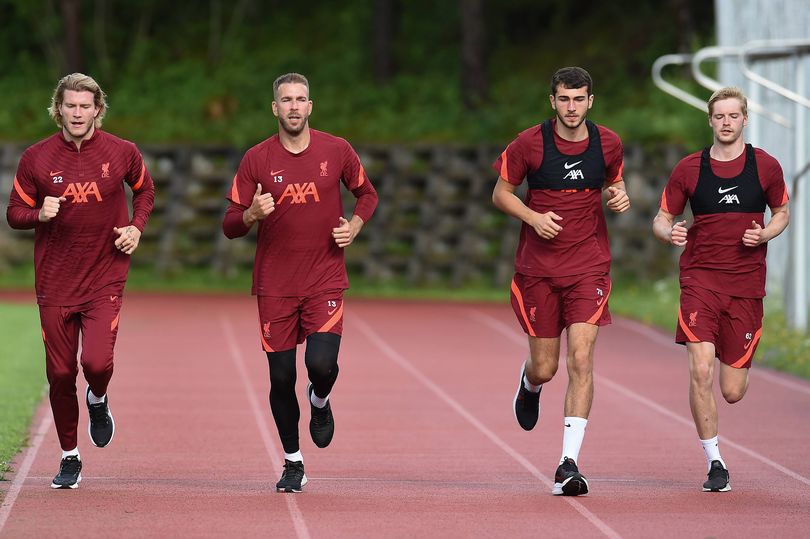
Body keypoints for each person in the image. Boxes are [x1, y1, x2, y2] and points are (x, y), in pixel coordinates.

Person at [222, 73, 378, 493]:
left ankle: (320, 400)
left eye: (301, 99)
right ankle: (293, 461)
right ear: (275, 108)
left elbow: (367, 194)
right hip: (274, 285)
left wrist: (355, 226)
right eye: (286, 100)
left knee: (321, 366)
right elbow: (230, 224)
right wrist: (251, 214)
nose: (294, 106)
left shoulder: (337, 149)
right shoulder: (256, 159)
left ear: (311, 106)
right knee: (280, 379)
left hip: (324, 278)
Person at [6, 73, 155, 489]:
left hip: (105, 275)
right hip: (55, 281)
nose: (77, 113)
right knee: (59, 373)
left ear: (97, 110)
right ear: (59, 109)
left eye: (84, 106)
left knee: (96, 363)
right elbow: (14, 212)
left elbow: (145, 191)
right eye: (70, 105)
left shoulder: (122, 151)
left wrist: (136, 227)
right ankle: (69, 455)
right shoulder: (35, 158)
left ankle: (98, 397)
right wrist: (39, 214)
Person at [491, 66, 630, 496]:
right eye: (564, 99)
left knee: (581, 358)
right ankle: (529, 382)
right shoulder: (529, 143)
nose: (572, 107)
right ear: (552, 101)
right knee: (547, 366)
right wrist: (533, 217)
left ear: (591, 101)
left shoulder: (608, 143)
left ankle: (568, 463)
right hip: (539, 271)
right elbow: (501, 193)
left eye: (579, 99)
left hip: (589, 267)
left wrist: (618, 195)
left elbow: (615, 182)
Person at [653, 87, 789, 492]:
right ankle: (715, 462)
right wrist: (669, 233)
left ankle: (732, 365)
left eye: (733, 116)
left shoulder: (765, 166)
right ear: (710, 120)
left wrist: (765, 233)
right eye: (719, 116)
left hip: (746, 287)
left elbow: (782, 212)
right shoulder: (690, 168)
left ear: (744, 119)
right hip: (700, 281)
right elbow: (661, 218)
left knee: (732, 391)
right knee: (700, 369)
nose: (726, 122)